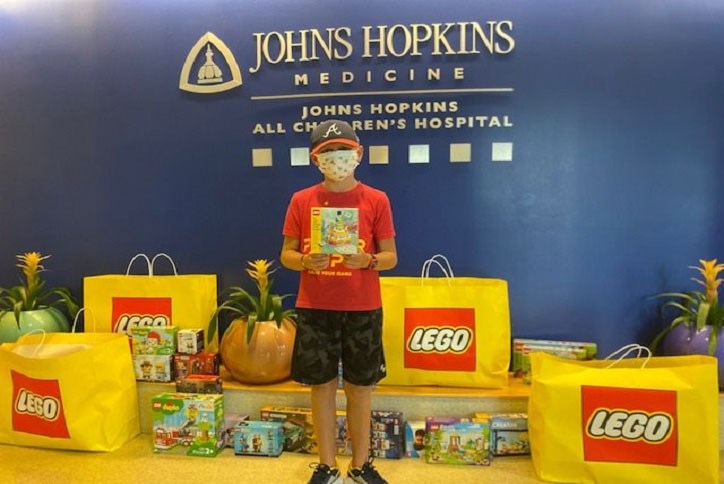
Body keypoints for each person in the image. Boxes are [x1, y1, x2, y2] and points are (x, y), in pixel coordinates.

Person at [281, 119, 397, 484]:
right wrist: (303, 260)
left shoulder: (376, 199)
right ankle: (327, 464)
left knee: (361, 387)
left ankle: (361, 464)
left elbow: (391, 255)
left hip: (363, 305)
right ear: (315, 159)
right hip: (316, 305)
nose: (336, 159)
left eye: (343, 151)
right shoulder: (302, 200)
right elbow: (286, 253)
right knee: (322, 386)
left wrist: (370, 261)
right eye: (327, 153)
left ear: (358, 154)